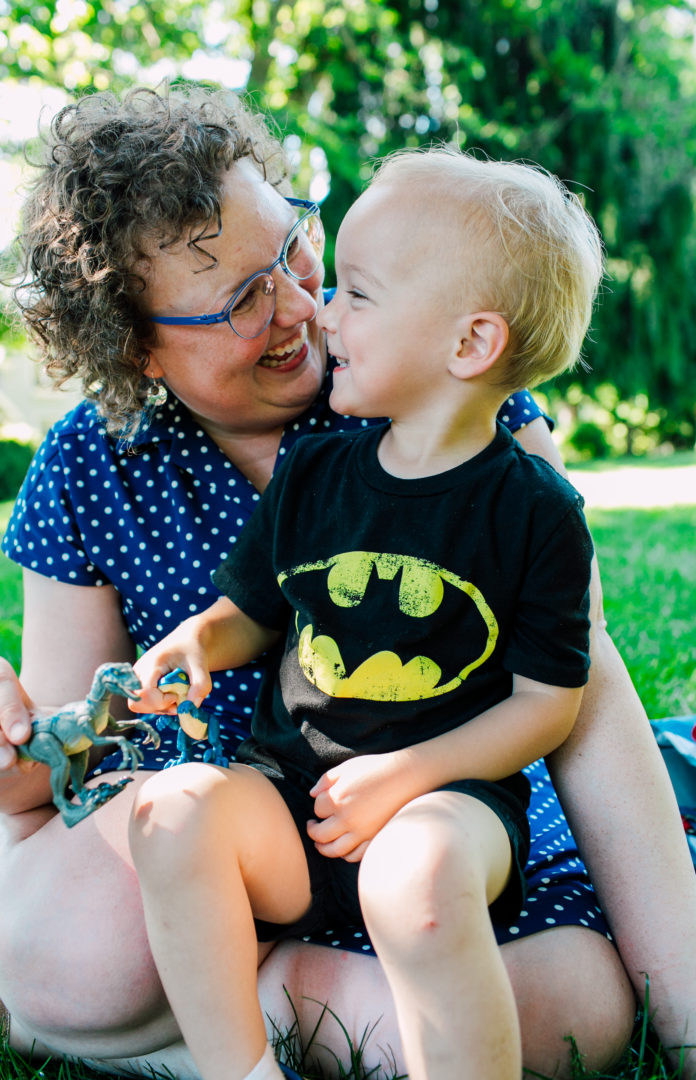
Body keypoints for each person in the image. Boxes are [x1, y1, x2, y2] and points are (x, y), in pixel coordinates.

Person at [0, 82, 688, 1078]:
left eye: (294, 249)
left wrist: (685, 992)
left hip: (436, 815)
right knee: (77, 954)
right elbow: (71, 764)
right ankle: (202, 1010)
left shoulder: (437, 389)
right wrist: (6, 747)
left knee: (577, 1008)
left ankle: (206, 1022)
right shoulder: (94, 463)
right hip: (243, 832)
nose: (303, 307)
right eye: (241, 299)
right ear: (139, 347)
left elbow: (573, 678)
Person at [126, 145, 602, 1080]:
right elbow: (251, 613)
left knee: (415, 878)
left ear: (469, 344)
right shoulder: (315, 476)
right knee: (172, 812)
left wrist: (406, 777)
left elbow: (548, 704)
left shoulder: (536, 512)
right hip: (292, 803)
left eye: (358, 294)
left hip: (447, 808)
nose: (320, 311)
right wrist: (198, 642)